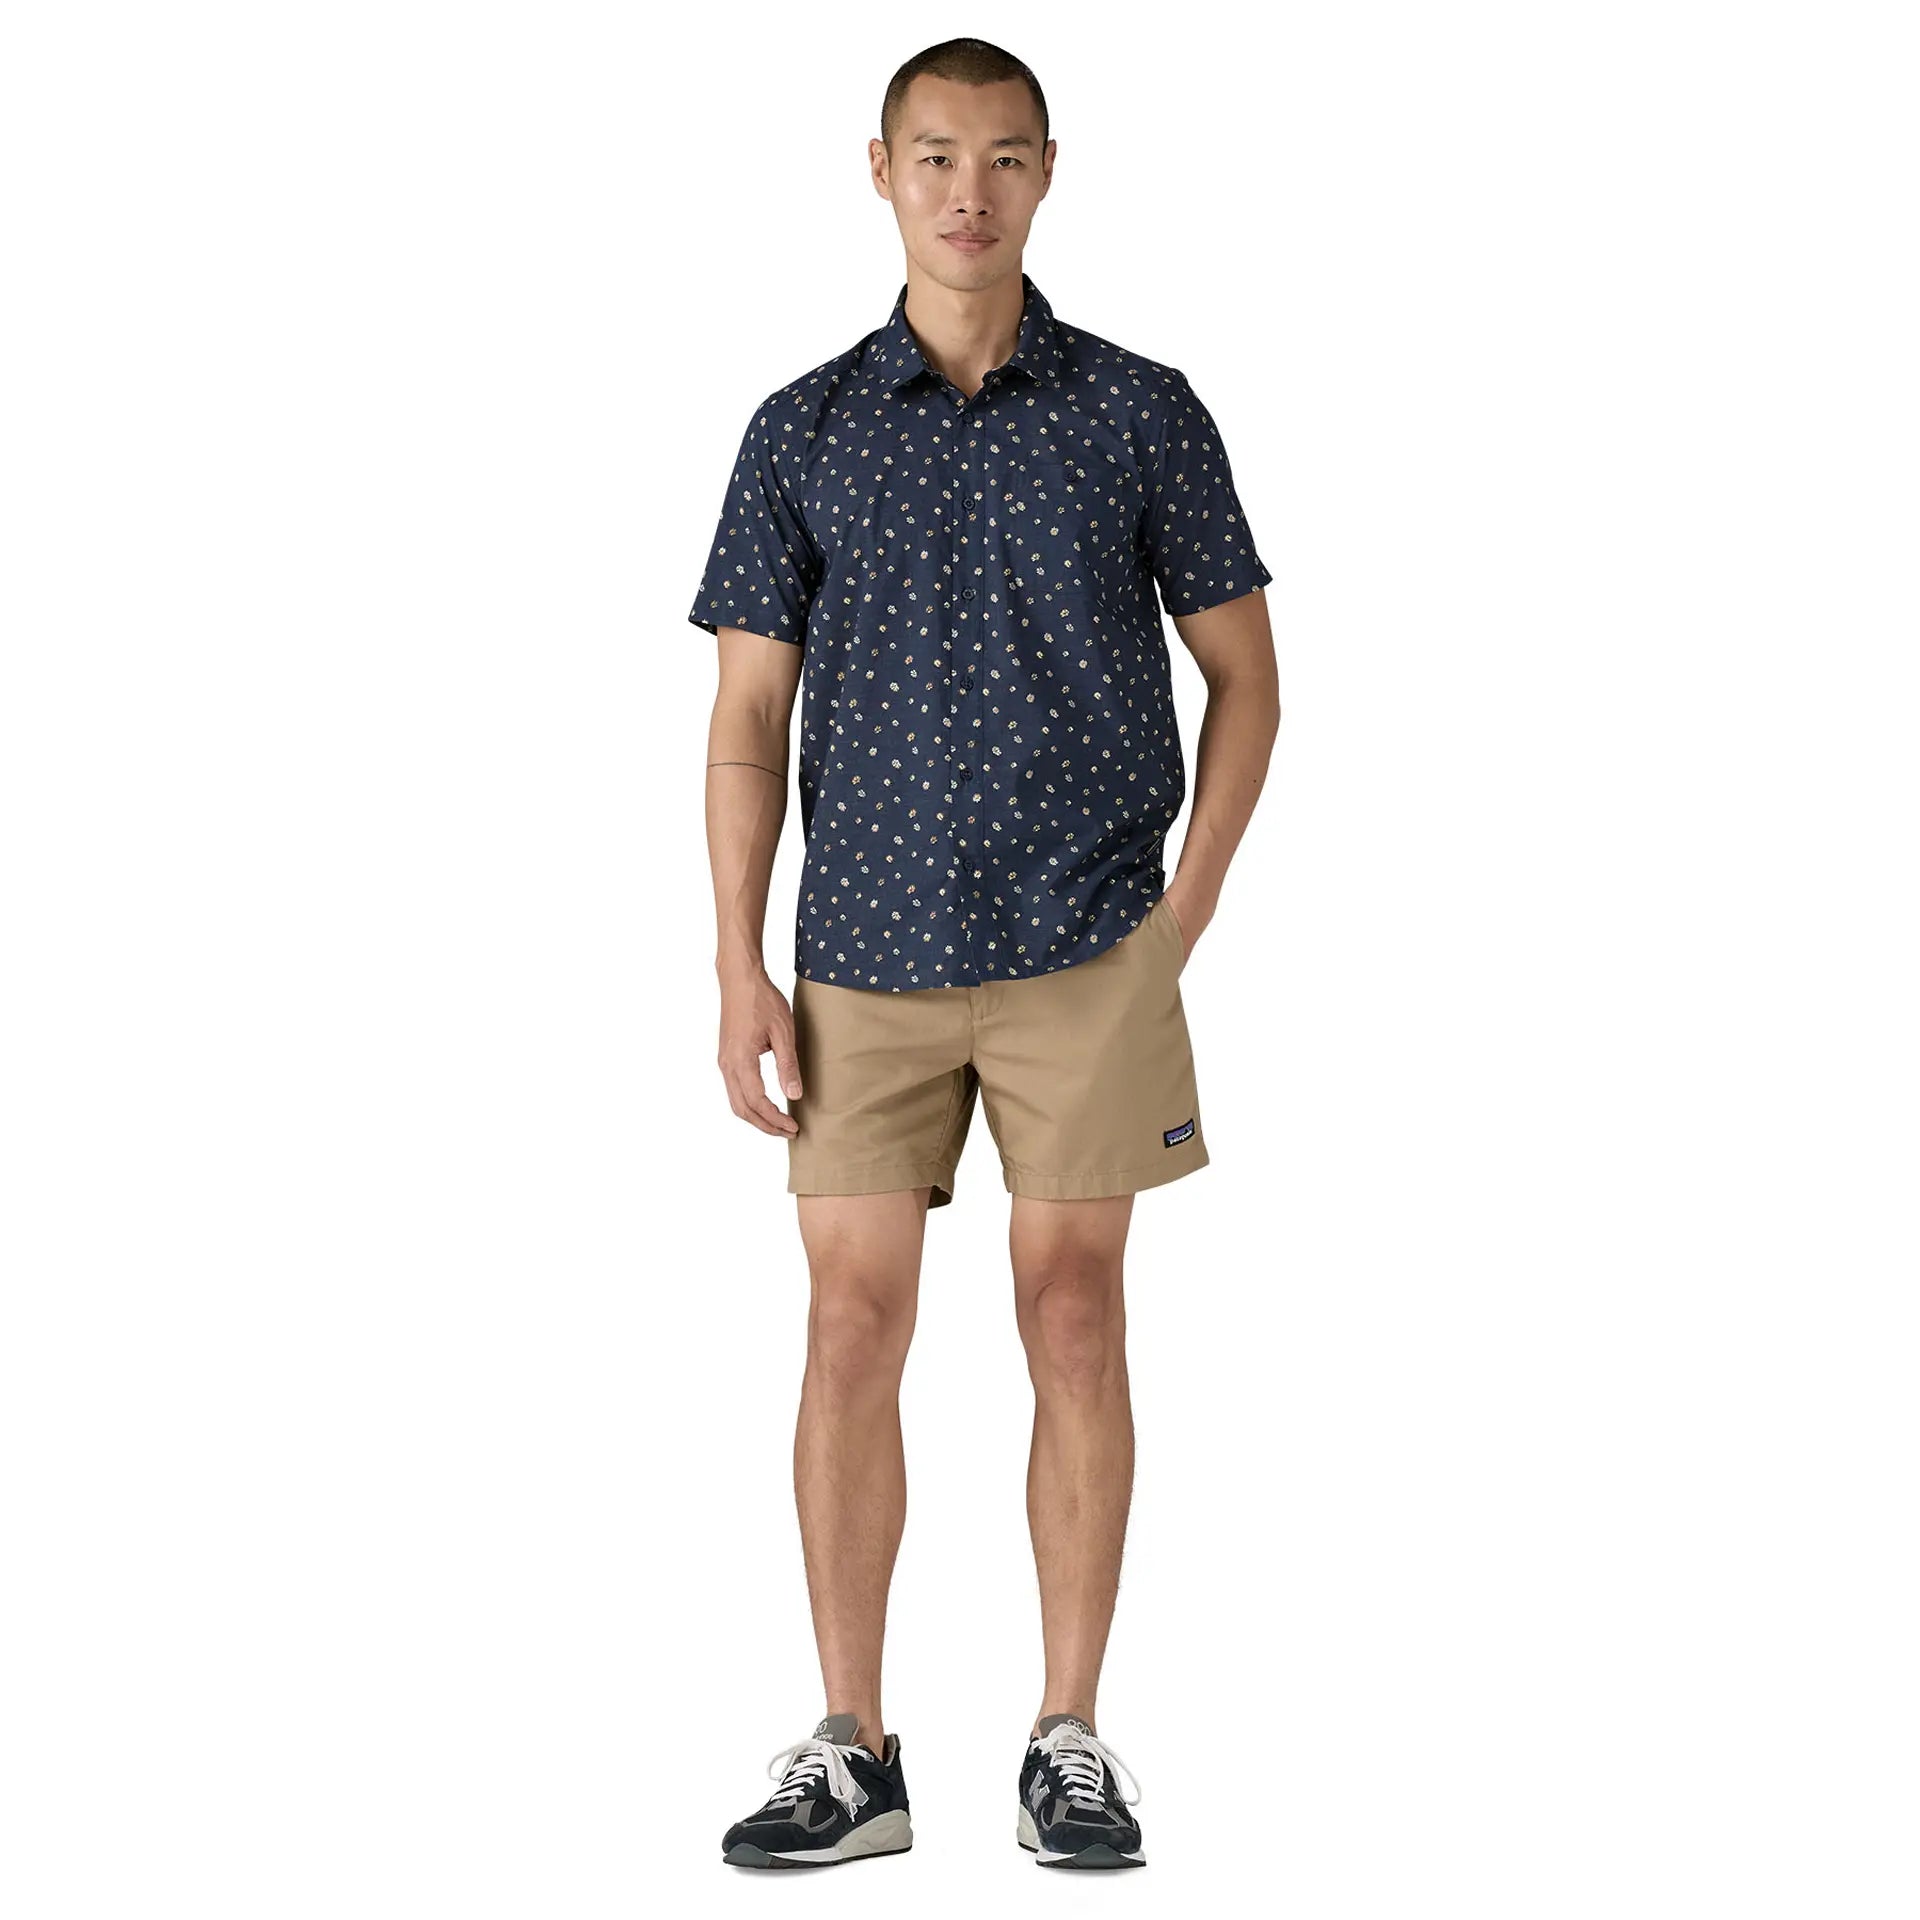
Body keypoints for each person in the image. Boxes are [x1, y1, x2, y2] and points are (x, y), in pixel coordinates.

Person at [688, 37, 1280, 1871]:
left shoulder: (1142, 411)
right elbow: (746, 720)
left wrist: (1182, 915)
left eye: (1003, 156)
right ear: (881, 171)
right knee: (848, 1325)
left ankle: (1068, 1735)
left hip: (1086, 947)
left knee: (1076, 1316)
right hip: (860, 953)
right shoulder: (801, 428)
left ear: (1046, 172)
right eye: (936, 155)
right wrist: (736, 960)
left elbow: (1248, 680)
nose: (969, 191)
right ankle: (852, 1749)